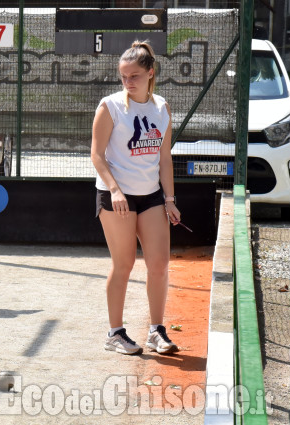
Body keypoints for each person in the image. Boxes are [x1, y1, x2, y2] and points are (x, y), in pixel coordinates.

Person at [91, 41, 181, 355]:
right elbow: (97, 155)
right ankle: (115, 333)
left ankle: (157, 332)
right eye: (124, 76)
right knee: (124, 264)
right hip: (117, 197)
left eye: (135, 76)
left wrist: (169, 199)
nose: (128, 82)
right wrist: (115, 191)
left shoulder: (162, 108)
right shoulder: (110, 106)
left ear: (150, 74)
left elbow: (165, 159)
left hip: (152, 196)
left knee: (159, 264)